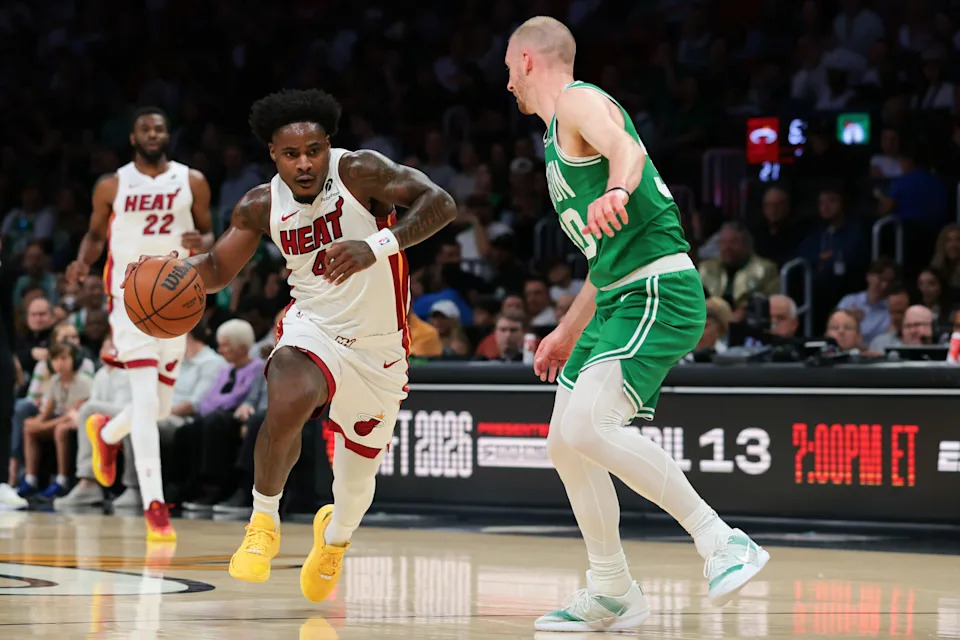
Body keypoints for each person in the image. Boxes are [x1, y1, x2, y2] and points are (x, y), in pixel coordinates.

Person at [127, 90, 456, 600]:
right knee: (286, 397)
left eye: (314, 150)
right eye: (291, 154)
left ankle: (335, 538)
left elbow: (441, 203)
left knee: (353, 488)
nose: (305, 163)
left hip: (379, 348)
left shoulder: (360, 172)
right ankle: (263, 522)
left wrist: (375, 246)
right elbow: (215, 268)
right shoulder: (261, 205)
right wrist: (164, 271)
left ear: (328, 146)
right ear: (273, 155)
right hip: (313, 325)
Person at [505, 16, 768, 633]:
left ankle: (721, 540)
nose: (508, 84)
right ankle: (612, 589)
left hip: (658, 289)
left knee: (589, 425)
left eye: (509, 69)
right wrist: (566, 330)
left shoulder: (579, 101)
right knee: (564, 442)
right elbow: (603, 263)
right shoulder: (553, 140)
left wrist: (619, 190)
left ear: (527, 60)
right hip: (616, 296)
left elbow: (628, 148)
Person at [66, 106, 213, 542]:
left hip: (176, 297)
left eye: (159, 128)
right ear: (133, 137)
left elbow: (210, 234)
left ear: (168, 135)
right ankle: (155, 505)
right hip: (130, 299)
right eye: (145, 129)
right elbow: (96, 235)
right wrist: (81, 263)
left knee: (160, 407)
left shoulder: (192, 180)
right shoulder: (112, 184)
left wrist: (202, 241)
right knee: (147, 399)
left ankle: (107, 432)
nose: (152, 134)